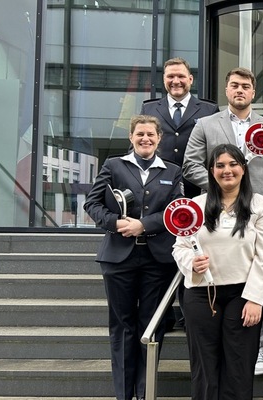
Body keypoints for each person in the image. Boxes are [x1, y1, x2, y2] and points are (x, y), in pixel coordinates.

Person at [183, 67, 263, 376]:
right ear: (226, 91)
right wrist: (222, 184)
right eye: (234, 86)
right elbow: (190, 165)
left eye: (245, 86)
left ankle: (259, 347)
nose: (239, 90)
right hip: (217, 213)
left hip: (259, 213)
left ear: (253, 92)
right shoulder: (205, 124)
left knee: (261, 275)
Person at [84, 115, 183, 400]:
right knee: (123, 325)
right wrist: (115, 222)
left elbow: (176, 210)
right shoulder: (113, 165)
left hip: (157, 259)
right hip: (119, 258)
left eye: (150, 134)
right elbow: (92, 202)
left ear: (159, 138)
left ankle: (144, 391)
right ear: (131, 137)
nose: (145, 139)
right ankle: (124, 394)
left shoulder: (172, 170)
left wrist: (144, 224)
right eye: (140, 134)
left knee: (151, 326)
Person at [172, 144, 263, 400]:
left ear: (243, 168)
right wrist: (190, 263)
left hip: (243, 294)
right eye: (220, 165)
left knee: (239, 368)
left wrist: (254, 298)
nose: (227, 170)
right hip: (201, 293)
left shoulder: (259, 204)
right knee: (204, 368)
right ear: (211, 171)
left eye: (232, 164)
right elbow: (180, 247)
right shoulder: (195, 205)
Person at [140, 57, 219, 198]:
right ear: (164, 79)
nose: (176, 81)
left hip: (198, 190)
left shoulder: (209, 110)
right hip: (157, 190)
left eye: (181, 76)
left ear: (190, 79)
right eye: (170, 76)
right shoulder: (149, 109)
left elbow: (217, 151)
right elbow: (136, 148)